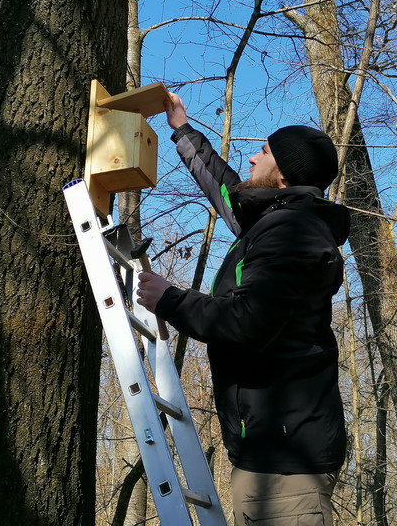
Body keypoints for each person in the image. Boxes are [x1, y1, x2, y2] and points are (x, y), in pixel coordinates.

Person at [137, 93, 350, 525]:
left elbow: (246, 321)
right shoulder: (280, 221)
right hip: (271, 453)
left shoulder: (293, 232)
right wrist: (182, 129)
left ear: (284, 172)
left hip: (285, 464)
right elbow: (227, 191)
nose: (252, 157)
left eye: (264, 152)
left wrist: (170, 298)